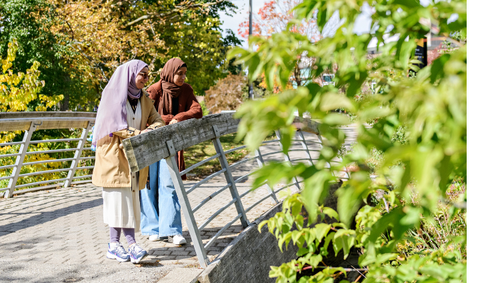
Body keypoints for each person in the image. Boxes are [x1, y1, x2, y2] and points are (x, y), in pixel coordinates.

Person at [92, 59, 165, 263]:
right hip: (113, 156)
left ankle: (114, 245)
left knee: (130, 201)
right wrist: (137, 133)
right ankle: (130, 245)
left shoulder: (144, 98)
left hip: (133, 156)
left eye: (148, 75)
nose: (146, 79)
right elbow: (114, 125)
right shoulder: (112, 94)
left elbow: (158, 120)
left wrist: (148, 131)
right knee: (118, 200)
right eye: (142, 74)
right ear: (131, 75)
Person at [140, 58, 203, 245]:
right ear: (170, 72)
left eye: (184, 73)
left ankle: (172, 230)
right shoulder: (153, 90)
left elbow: (197, 110)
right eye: (179, 73)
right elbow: (145, 118)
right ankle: (152, 228)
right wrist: (168, 119)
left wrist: (181, 116)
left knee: (169, 185)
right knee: (149, 186)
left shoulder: (186, 90)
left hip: (171, 146)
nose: (183, 77)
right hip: (150, 144)